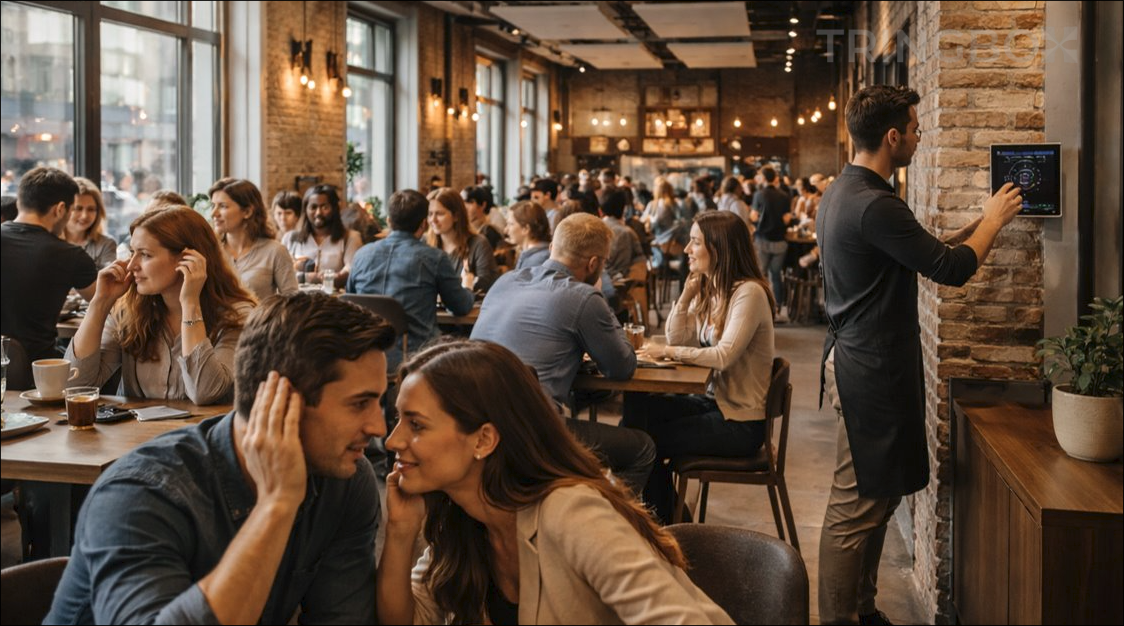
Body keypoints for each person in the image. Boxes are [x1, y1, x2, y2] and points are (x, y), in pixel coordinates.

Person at [46, 292, 395, 624]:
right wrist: (276, 505)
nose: (380, 427)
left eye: (379, 402)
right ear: (279, 402)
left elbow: (341, 618)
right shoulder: (139, 494)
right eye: (359, 404)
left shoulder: (346, 479)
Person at [816, 85, 1024, 626]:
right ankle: (842, 618)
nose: (919, 134)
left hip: (860, 358)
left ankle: (861, 610)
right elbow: (952, 270)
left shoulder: (846, 191)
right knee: (854, 507)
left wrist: (968, 230)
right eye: (914, 126)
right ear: (892, 136)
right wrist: (994, 221)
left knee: (880, 494)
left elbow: (917, 251)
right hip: (868, 366)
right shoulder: (875, 203)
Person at [376, 339, 733, 625]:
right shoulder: (465, 517)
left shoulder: (569, 511)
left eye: (416, 425)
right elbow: (411, 618)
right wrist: (400, 530)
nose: (392, 441)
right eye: (397, 420)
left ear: (483, 440)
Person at [471, 213, 655, 494]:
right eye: (603, 262)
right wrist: (601, 301)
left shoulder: (505, 281)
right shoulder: (583, 297)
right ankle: (614, 528)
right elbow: (622, 367)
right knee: (643, 448)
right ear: (594, 263)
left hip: (474, 421)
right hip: (533, 433)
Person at [621, 211, 776, 524]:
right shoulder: (717, 288)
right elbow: (678, 335)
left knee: (642, 442)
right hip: (714, 403)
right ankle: (662, 520)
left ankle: (667, 527)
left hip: (739, 422)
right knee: (638, 411)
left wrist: (669, 352)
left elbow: (723, 356)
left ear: (718, 249)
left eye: (694, 243)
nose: (686, 250)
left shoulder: (748, 293)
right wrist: (687, 294)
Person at [66, 207, 256, 405]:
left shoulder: (238, 315)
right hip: (137, 436)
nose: (131, 265)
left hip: (203, 435)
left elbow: (205, 392)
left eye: (145, 255)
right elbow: (74, 386)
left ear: (188, 259)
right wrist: (100, 303)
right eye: (132, 252)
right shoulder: (128, 310)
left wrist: (190, 304)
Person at [347, 189, 475, 372]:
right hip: (418, 356)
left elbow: (351, 303)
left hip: (366, 353)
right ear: (424, 224)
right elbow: (461, 306)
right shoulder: (434, 258)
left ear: (389, 221)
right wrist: (467, 287)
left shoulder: (361, 255)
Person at [0, 167, 97, 362]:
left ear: (20, 202)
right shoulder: (70, 255)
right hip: (38, 373)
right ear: (60, 209)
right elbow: (103, 301)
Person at [209, 178, 299, 301]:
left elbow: (292, 303)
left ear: (247, 212)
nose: (213, 213)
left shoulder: (275, 251)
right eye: (213, 206)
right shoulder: (210, 251)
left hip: (260, 320)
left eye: (223, 206)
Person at [282, 184, 363, 288]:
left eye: (325, 207)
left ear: (334, 209)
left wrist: (306, 278)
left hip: (334, 301)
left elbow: (349, 273)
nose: (318, 213)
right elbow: (281, 274)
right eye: (313, 207)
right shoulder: (290, 238)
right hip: (297, 301)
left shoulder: (351, 237)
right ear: (305, 210)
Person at [425, 187, 500, 293]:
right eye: (430, 214)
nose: (433, 220)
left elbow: (488, 284)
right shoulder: (425, 243)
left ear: (456, 216)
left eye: (439, 214)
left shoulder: (478, 244)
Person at [751, 166, 793, 312]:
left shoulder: (759, 195)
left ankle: (762, 307)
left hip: (762, 239)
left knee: (761, 275)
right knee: (776, 275)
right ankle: (778, 306)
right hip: (780, 241)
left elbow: (754, 217)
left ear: (763, 178)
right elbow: (787, 219)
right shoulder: (784, 195)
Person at [62, 177, 118, 269]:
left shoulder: (106, 244)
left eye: (91, 209)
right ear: (63, 209)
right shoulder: (49, 242)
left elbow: (108, 281)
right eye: (78, 208)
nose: (84, 216)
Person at [505, 200, 551, 270]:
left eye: (511, 224)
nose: (506, 230)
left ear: (526, 229)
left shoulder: (536, 262)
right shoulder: (531, 255)